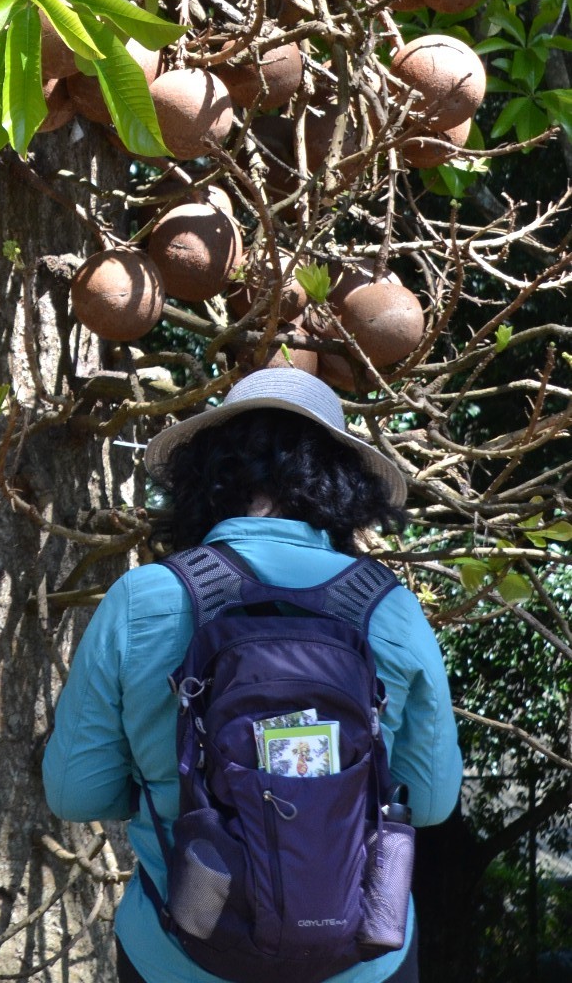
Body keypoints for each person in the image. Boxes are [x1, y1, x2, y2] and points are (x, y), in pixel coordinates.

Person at [42, 368, 463, 983]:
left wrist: (176, 779)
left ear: (206, 476)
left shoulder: (142, 599)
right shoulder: (389, 608)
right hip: (360, 958)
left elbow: (75, 793)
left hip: (180, 952)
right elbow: (429, 803)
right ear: (343, 486)